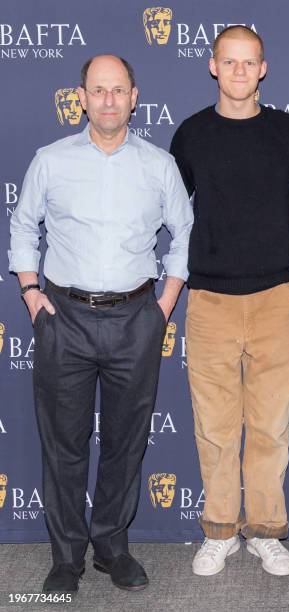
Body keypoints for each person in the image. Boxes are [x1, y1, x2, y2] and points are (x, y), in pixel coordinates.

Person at [8, 54, 193, 594]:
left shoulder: (159, 165)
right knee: (63, 443)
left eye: (118, 90)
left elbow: (184, 233)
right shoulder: (51, 160)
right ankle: (66, 557)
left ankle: (112, 547)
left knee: (124, 441)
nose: (109, 100)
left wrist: (164, 303)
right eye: (98, 90)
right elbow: (23, 226)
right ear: (81, 97)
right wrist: (29, 291)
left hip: (137, 317)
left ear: (134, 97)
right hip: (62, 318)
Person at [170, 25, 289, 577]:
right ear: (212, 66)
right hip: (208, 302)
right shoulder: (191, 135)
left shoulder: (285, 131)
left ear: (263, 69)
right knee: (215, 428)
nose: (238, 71)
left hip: (277, 298)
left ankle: (266, 531)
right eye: (228, 62)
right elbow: (161, 204)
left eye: (248, 62)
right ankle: (220, 531)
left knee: (272, 427)